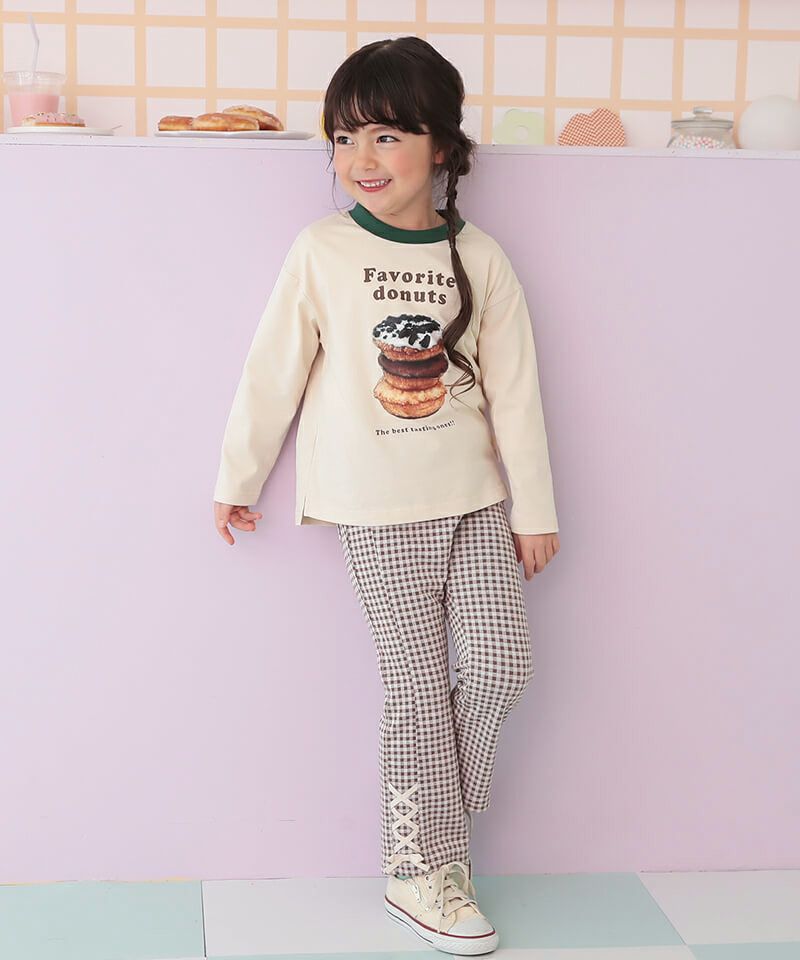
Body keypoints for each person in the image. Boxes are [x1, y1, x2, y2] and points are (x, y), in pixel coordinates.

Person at [212, 36, 560, 957]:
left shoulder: (479, 256)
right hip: (375, 503)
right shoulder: (322, 250)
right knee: (415, 689)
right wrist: (239, 477)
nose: (360, 159)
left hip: (477, 500)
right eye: (344, 138)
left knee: (501, 667)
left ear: (441, 145)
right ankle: (420, 873)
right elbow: (273, 371)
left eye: (387, 136)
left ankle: (439, 835)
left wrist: (534, 509)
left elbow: (516, 391)